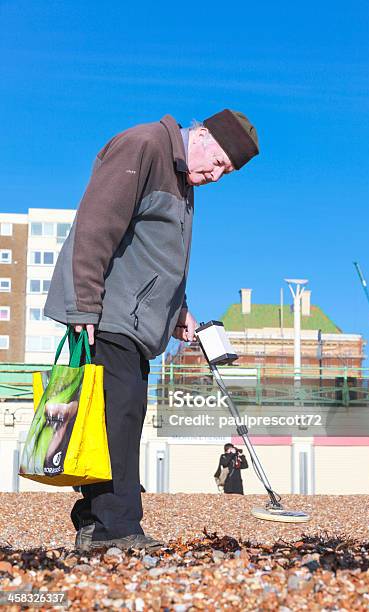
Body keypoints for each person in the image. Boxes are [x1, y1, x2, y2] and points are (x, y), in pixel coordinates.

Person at [44, 109, 259, 551]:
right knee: (117, 419)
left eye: (226, 172)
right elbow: (95, 224)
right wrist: (84, 301)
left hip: (138, 322)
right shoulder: (143, 146)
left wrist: (178, 310)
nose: (217, 176)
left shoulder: (183, 178)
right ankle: (116, 530)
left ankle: (93, 519)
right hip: (108, 313)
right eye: (218, 162)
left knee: (115, 422)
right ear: (200, 134)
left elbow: (162, 258)